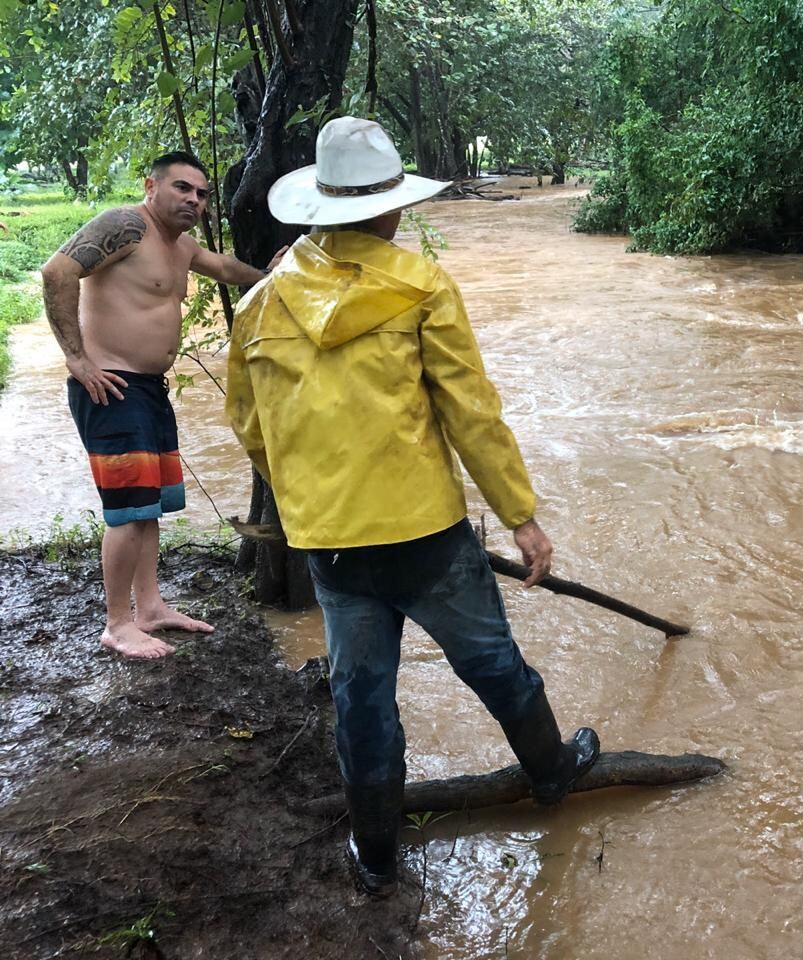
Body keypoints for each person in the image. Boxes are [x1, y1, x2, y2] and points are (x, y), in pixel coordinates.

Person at [224, 117, 600, 898]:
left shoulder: (260, 305)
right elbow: (471, 414)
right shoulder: (421, 285)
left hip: (331, 543)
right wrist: (522, 517)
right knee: (491, 662)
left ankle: (375, 852)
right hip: (425, 534)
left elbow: (252, 427)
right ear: (391, 207)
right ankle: (553, 772)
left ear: (322, 207)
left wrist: (312, 501)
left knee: (362, 696)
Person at [41, 151, 281, 660]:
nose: (194, 200)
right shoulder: (125, 226)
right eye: (182, 188)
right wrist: (77, 359)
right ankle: (117, 624)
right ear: (152, 186)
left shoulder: (181, 246)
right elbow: (57, 272)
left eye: (202, 194)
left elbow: (226, 267)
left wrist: (269, 273)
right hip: (111, 388)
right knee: (127, 512)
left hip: (149, 390)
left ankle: (149, 608)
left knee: (148, 507)